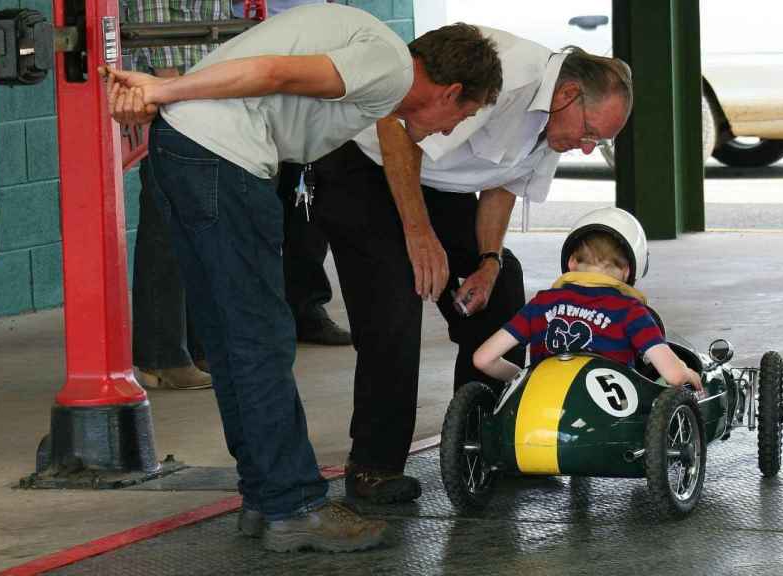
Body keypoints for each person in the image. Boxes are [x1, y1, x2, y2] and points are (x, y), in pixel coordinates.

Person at [103, 5, 502, 553]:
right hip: (222, 156)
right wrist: (159, 92)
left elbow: (253, 69)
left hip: (186, 149)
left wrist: (164, 90)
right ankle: (293, 505)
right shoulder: (389, 65)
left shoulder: (380, 72)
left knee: (228, 337)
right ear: (450, 90)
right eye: (464, 114)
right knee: (262, 338)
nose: (453, 130)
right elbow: (272, 72)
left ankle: (266, 498)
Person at [311, 28, 633, 503]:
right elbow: (398, 129)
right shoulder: (507, 80)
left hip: (440, 187)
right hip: (367, 170)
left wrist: (487, 261)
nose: (587, 147)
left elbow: (502, 183)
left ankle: (484, 443)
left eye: (598, 142)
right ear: (567, 95)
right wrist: (419, 237)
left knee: (504, 285)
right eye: (589, 133)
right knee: (397, 296)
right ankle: (373, 467)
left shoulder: (557, 124)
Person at [473, 206, 703, 393]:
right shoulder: (631, 312)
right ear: (627, 272)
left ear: (572, 262)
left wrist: (524, 380)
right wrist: (687, 372)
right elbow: (672, 375)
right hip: (606, 423)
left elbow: (483, 359)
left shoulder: (541, 304)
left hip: (539, 413)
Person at [124, 0, 231, 390]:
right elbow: (151, 14)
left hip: (205, 87)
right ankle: (162, 355)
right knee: (166, 224)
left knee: (196, 221)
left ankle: (197, 346)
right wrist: (171, 94)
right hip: (177, 91)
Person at [233, 0, 352, 346]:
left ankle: (307, 308)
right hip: (251, 64)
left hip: (309, 68)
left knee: (307, 202)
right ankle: (259, 317)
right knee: (255, 210)